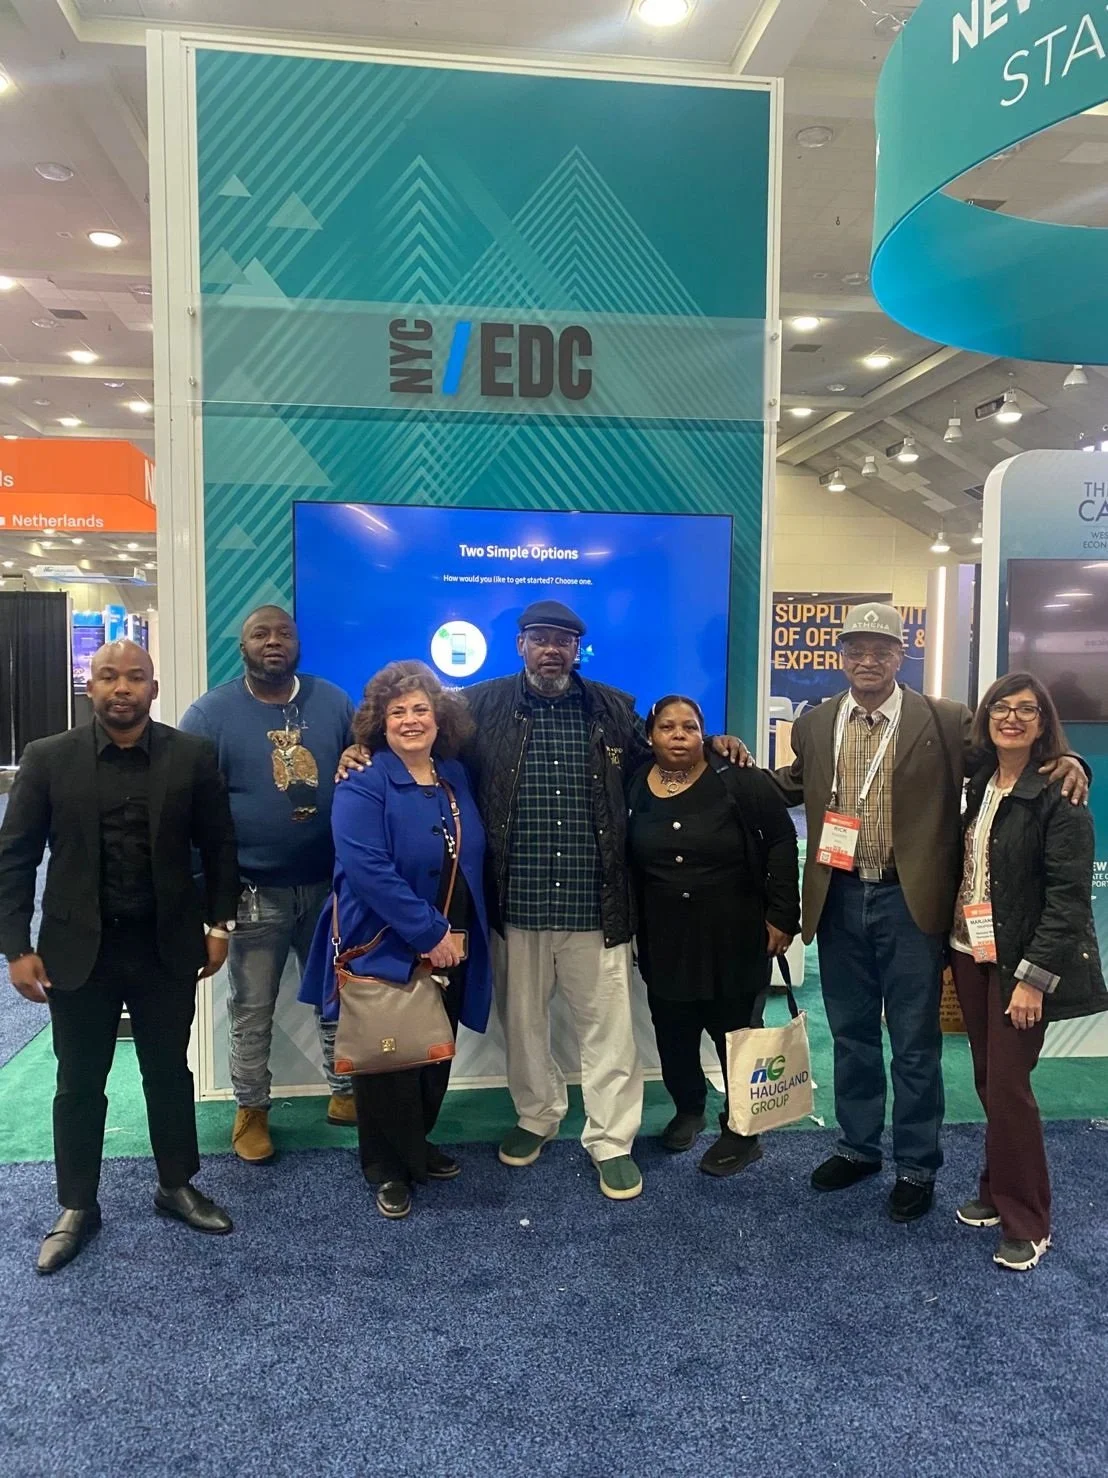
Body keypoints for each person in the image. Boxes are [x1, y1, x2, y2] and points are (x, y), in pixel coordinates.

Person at [340, 599, 746, 1202]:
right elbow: (424, 757)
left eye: (563, 639)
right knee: (524, 1029)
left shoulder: (614, 709)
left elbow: (663, 759)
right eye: (539, 638)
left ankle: (612, 1141)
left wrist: (715, 742)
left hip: (595, 905)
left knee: (609, 1032)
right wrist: (361, 751)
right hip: (514, 906)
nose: (552, 648)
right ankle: (537, 1115)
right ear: (521, 645)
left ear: (577, 648)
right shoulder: (478, 709)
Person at [773, 602, 1088, 1224]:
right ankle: (858, 1147)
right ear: (840, 657)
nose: (868, 660)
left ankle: (917, 1165)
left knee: (914, 1044)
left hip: (909, 901)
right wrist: (717, 759)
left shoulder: (946, 720)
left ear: (900, 657)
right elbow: (792, 784)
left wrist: (1065, 760)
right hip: (836, 899)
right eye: (856, 649)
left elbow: (1009, 760)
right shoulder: (815, 723)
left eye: (882, 650)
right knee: (852, 1036)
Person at [0, 641, 240, 1274]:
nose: (122, 687)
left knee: (168, 1073)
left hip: (166, 947)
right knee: (79, 1080)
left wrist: (220, 925)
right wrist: (16, 948)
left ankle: (175, 1184)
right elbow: (16, 857)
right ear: (92, 688)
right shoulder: (47, 759)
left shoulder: (192, 756)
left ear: (154, 689)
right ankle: (77, 1204)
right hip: (79, 951)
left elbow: (219, 848)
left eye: (135, 677)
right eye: (109, 676)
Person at [299, 661, 491, 1220]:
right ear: (379, 724)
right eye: (397, 711)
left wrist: (451, 938)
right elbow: (367, 869)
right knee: (388, 1066)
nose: (410, 720)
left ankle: (418, 1145)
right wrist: (430, 934)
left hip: (455, 948)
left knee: (432, 1053)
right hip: (383, 943)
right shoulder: (361, 781)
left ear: (440, 717)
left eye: (420, 709)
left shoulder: (457, 775)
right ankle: (385, 1167)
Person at [180, 605, 356, 1165]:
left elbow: (361, 767)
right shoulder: (210, 715)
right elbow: (190, 812)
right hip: (252, 891)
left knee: (338, 998)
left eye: (284, 633)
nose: (273, 641)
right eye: (260, 633)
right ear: (243, 646)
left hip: (330, 886)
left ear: (299, 643)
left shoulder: (332, 702)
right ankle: (251, 1110)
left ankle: (346, 1092)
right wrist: (212, 899)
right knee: (252, 1008)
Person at [949, 673, 1106, 1271]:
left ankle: (1028, 1219)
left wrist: (1033, 977)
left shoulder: (1059, 793)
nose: (1011, 719)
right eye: (1001, 709)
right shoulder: (981, 783)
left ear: (1044, 724)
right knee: (990, 1079)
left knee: (1011, 1087)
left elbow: (1068, 898)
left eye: (1027, 711)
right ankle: (995, 1188)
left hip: (1022, 965)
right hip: (970, 951)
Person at [627, 696, 799, 1174]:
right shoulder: (634, 783)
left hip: (735, 931)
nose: (678, 735)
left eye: (689, 726)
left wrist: (783, 915)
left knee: (736, 1035)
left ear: (705, 733)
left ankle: (743, 1130)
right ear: (650, 736)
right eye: (667, 727)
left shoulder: (737, 777)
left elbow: (783, 840)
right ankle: (689, 1109)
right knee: (673, 1031)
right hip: (663, 934)